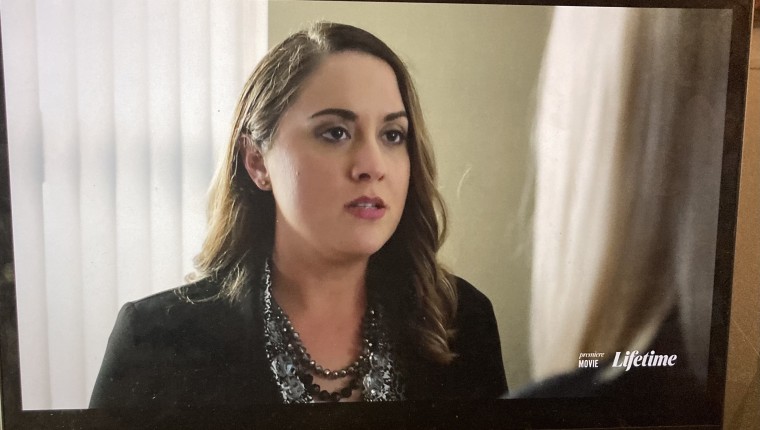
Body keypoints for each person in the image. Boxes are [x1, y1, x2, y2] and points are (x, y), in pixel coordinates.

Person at [89, 22, 506, 408]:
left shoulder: (464, 321)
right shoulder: (156, 341)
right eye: (335, 132)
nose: (372, 165)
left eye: (392, 135)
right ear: (257, 162)